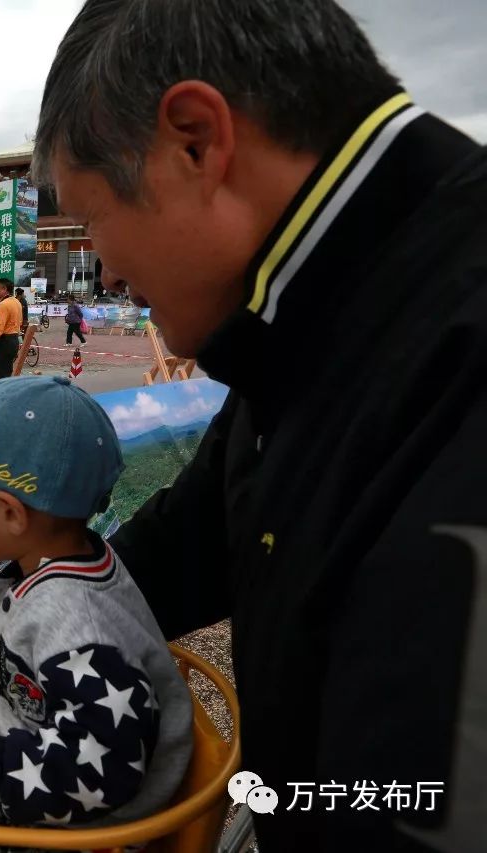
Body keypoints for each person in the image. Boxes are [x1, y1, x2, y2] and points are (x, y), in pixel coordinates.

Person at [32, 1, 487, 847]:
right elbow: (205, 524)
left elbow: (411, 805)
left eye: (92, 222)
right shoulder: (320, 301)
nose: (106, 268)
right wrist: (28, 605)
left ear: (196, 141)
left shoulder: (453, 339)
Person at [0, 375, 192, 837]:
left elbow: (101, 773)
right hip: (35, 751)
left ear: (11, 513)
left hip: (73, 824)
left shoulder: (79, 622)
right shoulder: (72, 562)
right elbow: (45, 663)